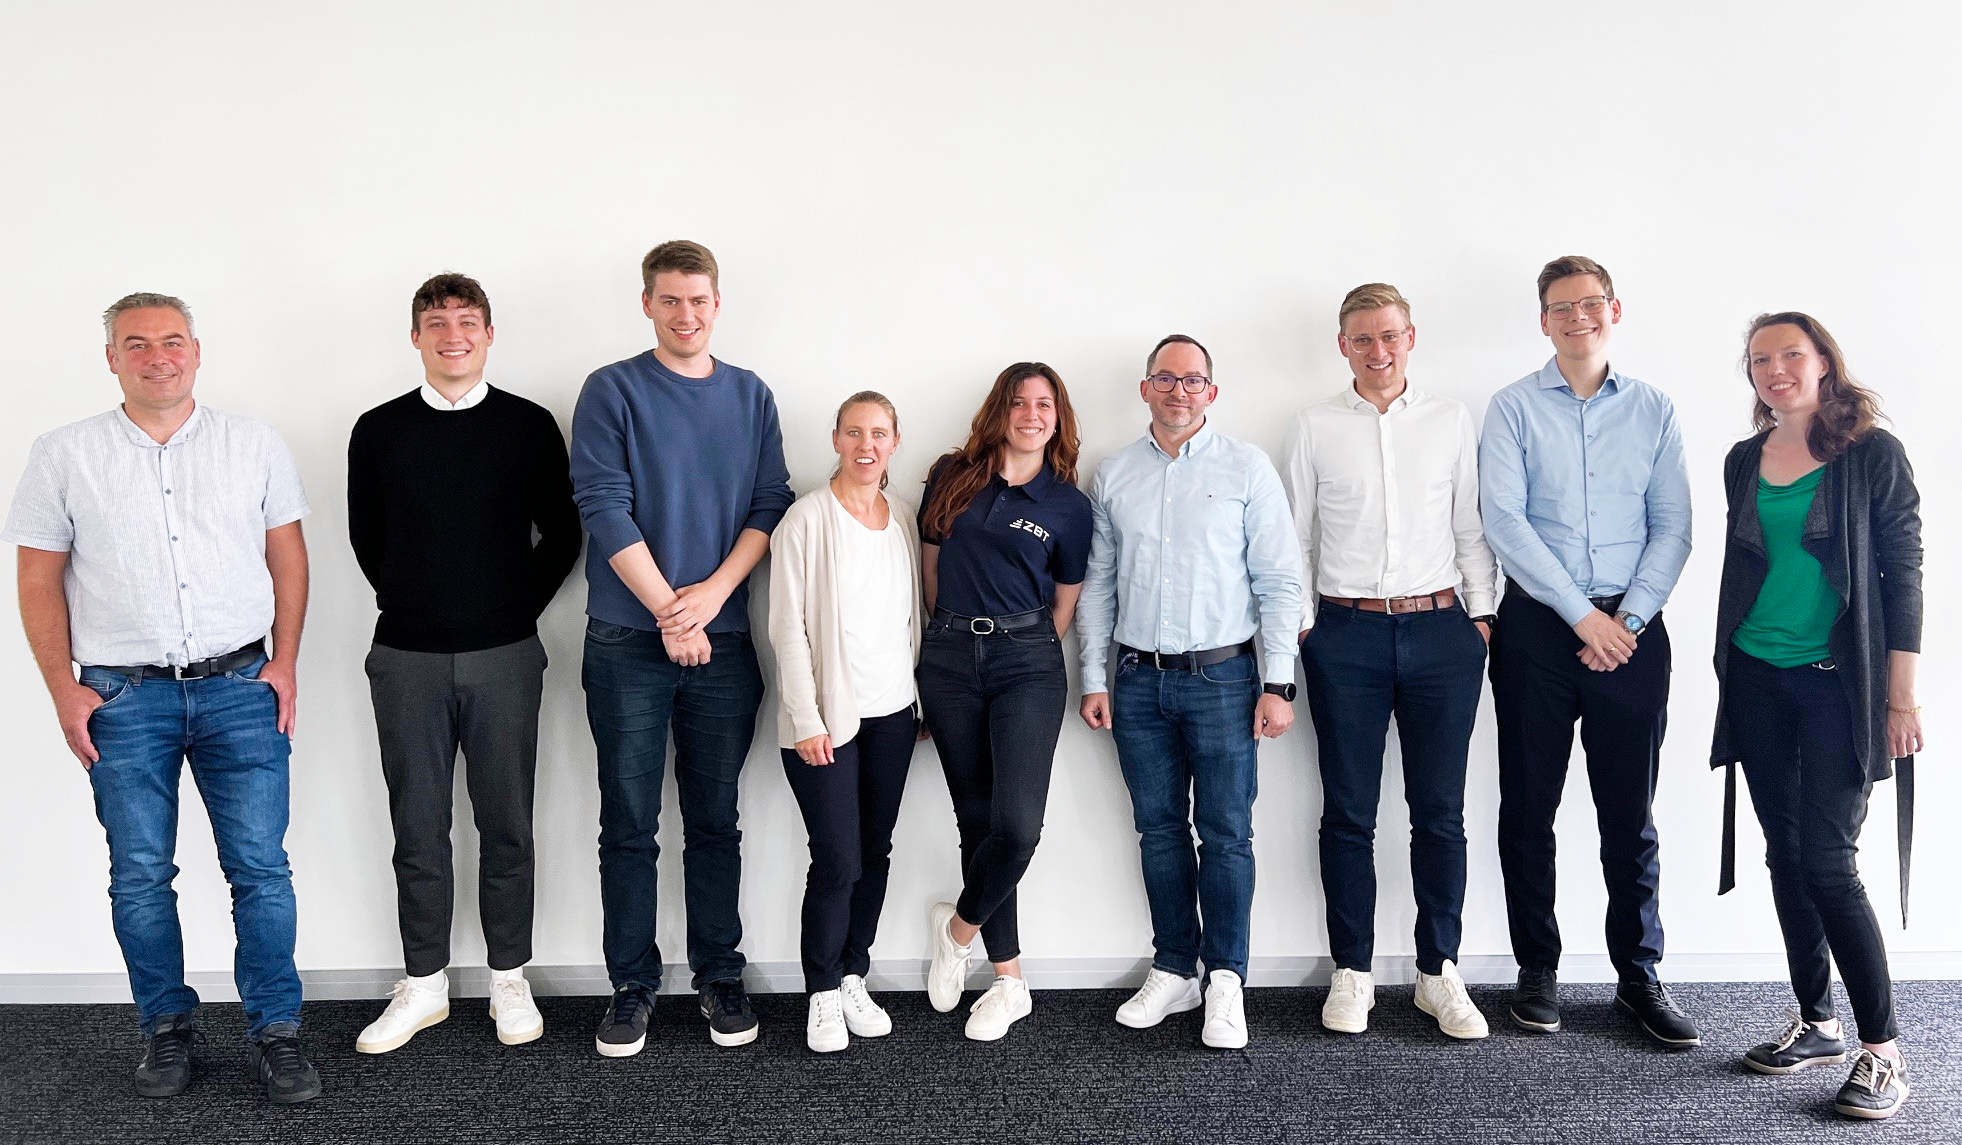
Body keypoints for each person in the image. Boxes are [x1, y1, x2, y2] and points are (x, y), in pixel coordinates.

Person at [5, 293, 319, 1102]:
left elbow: (287, 557)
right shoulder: (63, 454)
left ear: (196, 351)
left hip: (241, 688)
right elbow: (38, 579)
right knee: (140, 873)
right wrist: (63, 689)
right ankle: (166, 1028)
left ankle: (277, 1032)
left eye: (172, 340)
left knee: (261, 868)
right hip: (121, 697)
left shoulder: (252, 443)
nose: (158, 356)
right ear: (112, 358)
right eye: (137, 344)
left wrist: (285, 661)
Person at [346, 273, 581, 1054]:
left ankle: (508, 975)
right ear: (416, 336)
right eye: (437, 322)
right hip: (405, 655)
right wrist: (418, 598)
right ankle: (424, 982)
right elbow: (367, 538)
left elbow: (564, 533)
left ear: (488, 334)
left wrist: (509, 609)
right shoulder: (379, 430)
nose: (453, 335)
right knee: (418, 828)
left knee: (506, 823)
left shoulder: (528, 426)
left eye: (468, 321)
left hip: (504, 653)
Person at [570, 240, 794, 1055]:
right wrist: (672, 610)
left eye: (698, 300)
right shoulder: (612, 389)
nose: (686, 314)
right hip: (626, 641)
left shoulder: (751, 394)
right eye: (670, 300)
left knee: (715, 819)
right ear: (647, 304)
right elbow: (603, 505)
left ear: (717, 304)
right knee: (628, 821)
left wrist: (710, 599)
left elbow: (769, 504)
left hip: (723, 644)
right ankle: (632, 984)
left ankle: (719, 974)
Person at [1479, 255, 1699, 1046]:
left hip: (1634, 631)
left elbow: (1674, 524)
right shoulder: (1511, 408)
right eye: (1561, 306)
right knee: (1527, 807)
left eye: (1590, 302)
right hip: (1538, 629)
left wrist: (1627, 618)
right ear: (1543, 320)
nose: (1578, 317)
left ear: (1614, 309)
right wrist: (1581, 616)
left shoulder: (1654, 408)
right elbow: (1505, 522)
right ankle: (1536, 968)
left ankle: (1638, 975)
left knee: (1629, 814)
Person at [1711, 312, 1922, 1119]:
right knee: (1785, 855)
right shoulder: (1744, 459)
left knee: (1829, 863)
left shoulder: (1871, 453)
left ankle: (1884, 1052)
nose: (1775, 369)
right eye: (1760, 358)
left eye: (1790, 354)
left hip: (1839, 686)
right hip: (1756, 678)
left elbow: (1904, 575)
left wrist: (1900, 697)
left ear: (1824, 360)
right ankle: (1818, 1021)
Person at [1078, 334, 1303, 1050]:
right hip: (1138, 681)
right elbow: (1098, 587)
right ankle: (1175, 967)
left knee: (1227, 832)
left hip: (1226, 680)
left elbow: (1280, 582)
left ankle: (1225, 979)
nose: (1180, 391)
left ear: (1212, 390)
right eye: (1166, 378)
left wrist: (1278, 683)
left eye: (1193, 379)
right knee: (1159, 829)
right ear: (1145, 387)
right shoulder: (1114, 475)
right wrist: (1093, 677)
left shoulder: (1247, 468)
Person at [1284, 287, 1496, 1040]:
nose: (1379, 351)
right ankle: (1353, 969)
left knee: (1440, 811)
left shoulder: (1449, 419)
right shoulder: (1313, 426)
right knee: (1348, 811)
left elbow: (1469, 523)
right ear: (1344, 346)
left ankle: (1439, 971)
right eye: (1364, 339)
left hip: (1442, 632)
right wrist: (1306, 627)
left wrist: (1480, 618)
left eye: (1391, 336)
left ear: (1412, 337)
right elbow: (1295, 537)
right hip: (1346, 635)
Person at [918, 362, 1092, 1042]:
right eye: (1019, 402)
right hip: (949, 658)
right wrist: (949, 644)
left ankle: (957, 932)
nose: (1031, 414)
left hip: (1028, 663)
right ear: (1000, 410)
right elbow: (930, 572)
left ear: (1058, 418)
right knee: (978, 821)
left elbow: (1065, 602)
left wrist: (1021, 649)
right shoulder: (951, 476)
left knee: (1017, 827)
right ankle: (1009, 980)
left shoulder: (1068, 504)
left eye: (1044, 404)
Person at [768, 391, 925, 1053]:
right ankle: (823, 992)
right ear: (836, 438)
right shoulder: (806, 520)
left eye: (879, 433)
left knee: (876, 851)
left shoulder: (904, 517)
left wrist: (916, 702)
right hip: (826, 720)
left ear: (895, 442)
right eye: (854, 432)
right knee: (837, 859)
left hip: (894, 713)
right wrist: (806, 718)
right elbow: (787, 628)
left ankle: (855, 973)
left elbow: (911, 616)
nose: (867, 445)